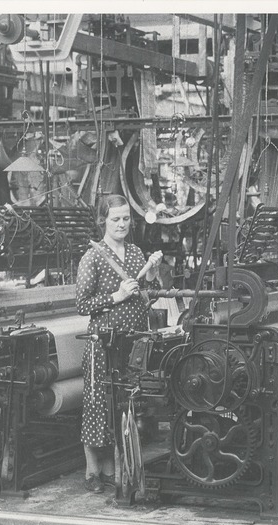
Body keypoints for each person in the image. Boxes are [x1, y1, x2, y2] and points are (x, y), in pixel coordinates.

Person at [76, 194, 162, 494]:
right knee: (98, 404)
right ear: (103, 221)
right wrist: (116, 296)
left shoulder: (136, 253)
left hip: (132, 344)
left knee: (123, 407)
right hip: (103, 344)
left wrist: (151, 273)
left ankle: (114, 467)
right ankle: (91, 470)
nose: (122, 223)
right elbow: (82, 304)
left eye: (126, 218)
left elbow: (149, 294)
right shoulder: (93, 257)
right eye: (116, 219)